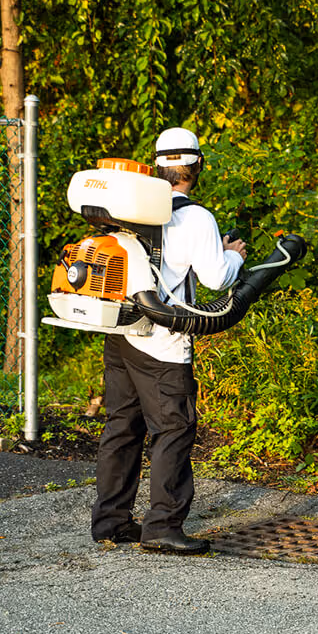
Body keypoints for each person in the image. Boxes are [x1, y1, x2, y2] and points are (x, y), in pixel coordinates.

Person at [91, 127, 247, 554]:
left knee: (122, 427)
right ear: (197, 165)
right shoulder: (197, 217)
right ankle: (161, 525)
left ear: (157, 165)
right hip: (163, 341)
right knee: (173, 429)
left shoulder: (127, 208)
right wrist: (233, 254)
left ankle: (110, 521)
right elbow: (216, 279)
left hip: (121, 333)